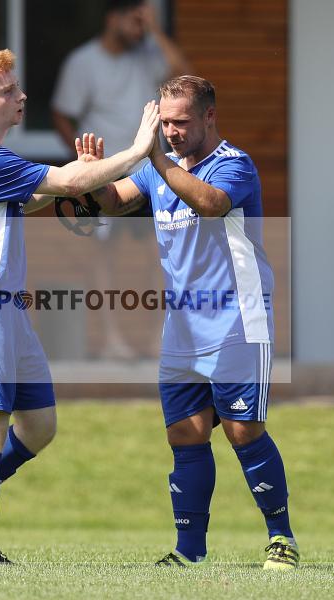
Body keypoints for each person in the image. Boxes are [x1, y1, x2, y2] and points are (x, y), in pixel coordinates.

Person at [0, 48, 160, 564]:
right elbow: (63, 184)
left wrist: (86, 172)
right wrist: (137, 149)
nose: (21, 96)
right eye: (8, 90)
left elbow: (42, 194)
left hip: (8, 309)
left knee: (40, 426)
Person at [83, 75, 299, 569]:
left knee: (243, 431)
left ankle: (281, 538)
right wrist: (94, 179)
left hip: (237, 320)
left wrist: (155, 157)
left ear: (209, 117)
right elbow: (115, 201)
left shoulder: (234, 164)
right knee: (185, 434)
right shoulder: (163, 169)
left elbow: (211, 204)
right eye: (165, 123)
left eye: (181, 122)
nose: (172, 132)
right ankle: (189, 551)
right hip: (182, 325)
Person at [51, 0, 191, 359]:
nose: (140, 26)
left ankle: (157, 338)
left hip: (150, 172)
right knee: (104, 256)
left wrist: (156, 31)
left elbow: (184, 72)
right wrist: (84, 166)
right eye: (135, 19)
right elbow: (61, 114)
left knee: (159, 256)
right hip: (106, 177)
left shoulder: (149, 54)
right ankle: (112, 341)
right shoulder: (83, 62)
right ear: (113, 18)